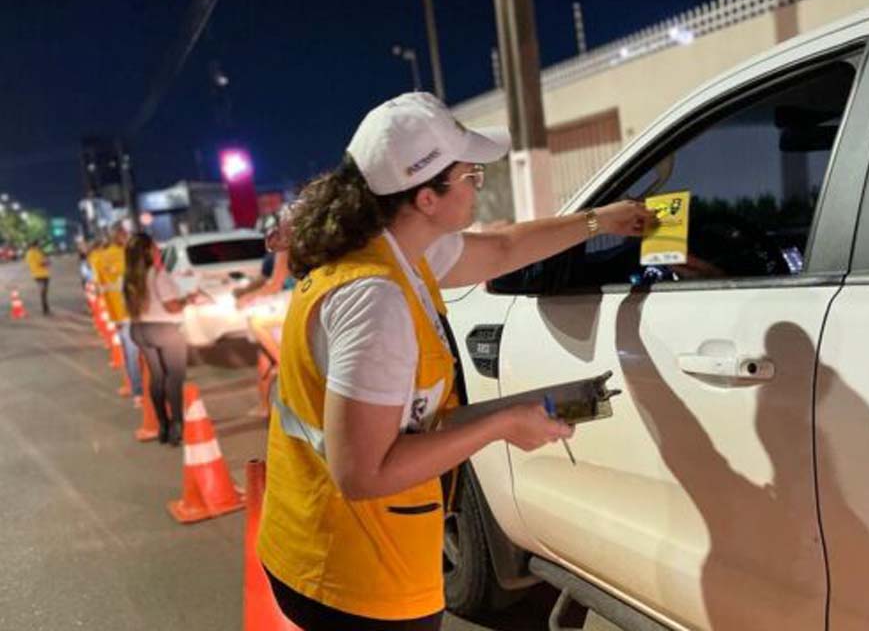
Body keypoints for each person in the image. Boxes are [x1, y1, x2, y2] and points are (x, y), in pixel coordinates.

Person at [256, 92, 656, 630]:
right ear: (426, 198)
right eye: (471, 177)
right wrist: (503, 423)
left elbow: (500, 249)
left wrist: (598, 222)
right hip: (355, 576)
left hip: (325, 547)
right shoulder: (375, 301)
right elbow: (362, 472)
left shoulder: (391, 249)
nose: (476, 188)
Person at [122, 233, 199, 445]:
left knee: (157, 376)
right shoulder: (158, 275)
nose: (158, 251)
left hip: (140, 330)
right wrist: (188, 300)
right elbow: (171, 306)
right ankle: (177, 426)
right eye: (155, 247)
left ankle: (162, 425)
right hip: (164, 329)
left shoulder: (129, 278)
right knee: (174, 377)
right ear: (147, 251)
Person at [234, 206, 297, 416]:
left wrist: (247, 297)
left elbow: (275, 284)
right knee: (263, 356)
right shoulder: (307, 246)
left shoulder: (286, 249)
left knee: (257, 322)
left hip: (291, 305)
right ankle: (265, 406)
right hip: (296, 302)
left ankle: (283, 365)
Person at [92, 223, 144, 406]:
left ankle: (139, 391)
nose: (127, 236)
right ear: (119, 235)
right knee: (136, 353)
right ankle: (140, 392)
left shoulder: (101, 258)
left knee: (133, 353)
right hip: (131, 312)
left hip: (125, 313)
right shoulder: (122, 256)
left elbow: (101, 288)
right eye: (125, 234)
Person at [24, 241, 51, 315]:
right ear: (35, 245)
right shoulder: (35, 253)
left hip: (38, 274)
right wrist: (47, 261)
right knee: (43, 292)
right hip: (41, 274)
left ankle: (45, 309)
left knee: (43, 292)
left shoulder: (29, 253)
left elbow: (28, 262)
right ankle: (45, 309)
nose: (40, 246)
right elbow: (42, 262)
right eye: (39, 245)